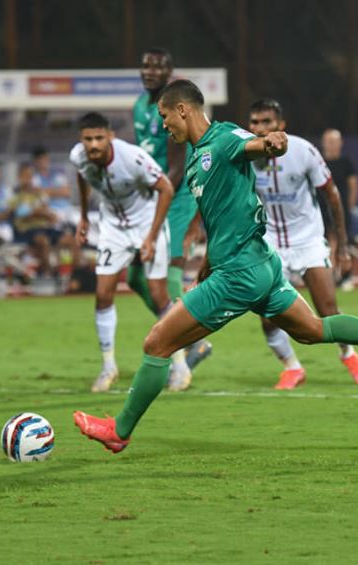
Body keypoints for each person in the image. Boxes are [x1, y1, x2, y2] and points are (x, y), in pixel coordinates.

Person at [73, 80, 358, 454]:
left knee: (156, 342)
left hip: (240, 274)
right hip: (258, 264)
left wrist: (273, 142)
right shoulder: (198, 157)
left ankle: (120, 430)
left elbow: (259, 147)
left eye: (165, 117)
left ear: (183, 109)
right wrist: (206, 266)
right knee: (312, 329)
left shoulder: (224, 139)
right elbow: (222, 219)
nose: (164, 126)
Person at [248, 98, 358, 389]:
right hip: (270, 244)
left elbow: (332, 195)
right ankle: (292, 367)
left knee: (327, 309)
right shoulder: (245, 155)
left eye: (266, 121)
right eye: (254, 122)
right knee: (268, 316)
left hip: (307, 239)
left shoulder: (303, 151)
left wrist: (341, 245)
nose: (260, 128)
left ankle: (348, 353)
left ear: (281, 125)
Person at [70, 112, 191, 393]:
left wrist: (150, 237)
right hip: (112, 227)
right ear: (81, 140)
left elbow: (167, 188)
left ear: (110, 136)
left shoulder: (132, 158)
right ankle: (108, 366)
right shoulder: (78, 156)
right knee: (102, 295)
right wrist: (85, 218)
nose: (93, 144)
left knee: (158, 293)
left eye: (99, 137)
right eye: (88, 139)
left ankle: (181, 366)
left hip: (148, 224)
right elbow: (81, 175)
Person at [132, 47, 212, 370]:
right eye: (145, 66)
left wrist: (191, 216)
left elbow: (178, 166)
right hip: (153, 196)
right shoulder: (139, 106)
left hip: (178, 196)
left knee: (172, 271)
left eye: (157, 67)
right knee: (134, 274)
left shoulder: (173, 106)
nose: (149, 72)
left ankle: (186, 341)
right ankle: (192, 340)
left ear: (170, 72)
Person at [31, 146, 80, 275]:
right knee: (64, 238)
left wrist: (47, 191)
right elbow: (38, 195)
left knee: (79, 231)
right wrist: (57, 192)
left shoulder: (57, 175)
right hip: (51, 213)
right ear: (36, 162)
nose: (43, 162)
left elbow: (67, 191)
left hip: (67, 211)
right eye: (40, 160)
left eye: (45, 159)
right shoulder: (34, 178)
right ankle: (60, 271)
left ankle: (78, 271)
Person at [321, 128, 358, 290]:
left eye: (335, 141)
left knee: (343, 243)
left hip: (341, 210)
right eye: (329, 141)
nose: (332, 144)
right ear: (323, 143)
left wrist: (349, 205)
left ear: (341, 143)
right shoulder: (318, 162)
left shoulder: (346, 162)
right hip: (321, 210)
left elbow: (353, 184)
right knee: (323, 245)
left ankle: (346, 276)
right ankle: (326, 279)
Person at [8, 163, 60, 278]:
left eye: (30, 176)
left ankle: (71, 276)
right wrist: (38, 213)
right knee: (42, 240)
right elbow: (21, 214)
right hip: (26, 230)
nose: (28, 179)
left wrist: (40, 213)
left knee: (68, 239)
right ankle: (48, 274)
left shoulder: (39, 194)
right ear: (20, 178)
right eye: (25, 176)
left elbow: (50, 215)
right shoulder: (15, 195)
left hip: (44, 227)